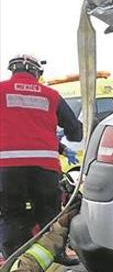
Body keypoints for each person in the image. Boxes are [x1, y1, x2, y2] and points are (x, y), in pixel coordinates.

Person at [0, 54, 83, 257]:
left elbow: (20, 130)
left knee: (13, 215)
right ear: (35, 72)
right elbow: (75, 131)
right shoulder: (51, 95)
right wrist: (65, 143)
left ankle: (13, 262)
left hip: (7, 169)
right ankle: (56, 255)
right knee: (48, 213)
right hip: (44, 167)